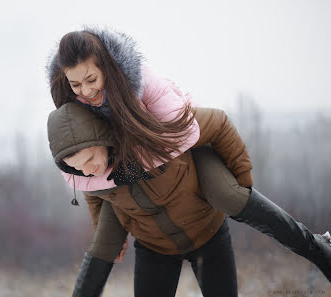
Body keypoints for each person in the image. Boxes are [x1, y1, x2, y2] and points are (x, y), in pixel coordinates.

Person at [46, 27, 331, 295]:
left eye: (91, 80)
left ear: (106, 69)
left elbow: (214, 123)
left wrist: (242, 177)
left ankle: (319, 248)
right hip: (152, 242)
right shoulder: (82, 129)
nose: (84, 91)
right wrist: (101, 218)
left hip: (198, 211)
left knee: (232, 197)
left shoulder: (146, 94)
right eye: (75, 84)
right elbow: (92, 189)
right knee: (104, 245)